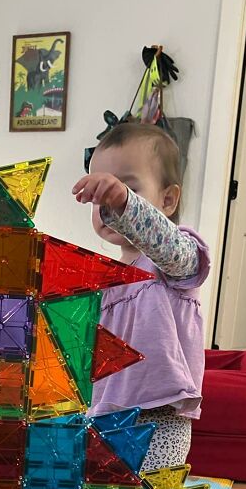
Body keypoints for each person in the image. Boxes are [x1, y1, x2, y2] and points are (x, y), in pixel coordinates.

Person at [72, 120, 210, 471]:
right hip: (104, 413)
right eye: (100, 197)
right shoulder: (104, 278)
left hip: (158, 417)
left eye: (126, 187)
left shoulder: (174, 257)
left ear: (167, 199)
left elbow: (166, 242)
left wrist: (123, 203)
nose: (106, 205)